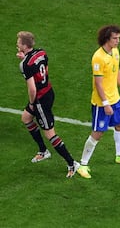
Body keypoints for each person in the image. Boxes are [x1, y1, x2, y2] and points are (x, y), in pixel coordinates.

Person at [77, 25, 120, 179]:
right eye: (115, 38)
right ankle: (83, 164)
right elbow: (98, 83)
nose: (118, 41)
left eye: (119, 38)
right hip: (101, 102)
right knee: (98, 133)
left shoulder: (115, 52)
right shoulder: (98, 57)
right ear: (107, 39)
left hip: (115, 98)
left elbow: (116, 70)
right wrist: (105, 103)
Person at [16, 31, 80, 178]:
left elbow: (32, 88)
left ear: (25, 45)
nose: (17, 44)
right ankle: (43, 151)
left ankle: (72, 163)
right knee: (26, 118)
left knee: (50, 133)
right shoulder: (41, 53)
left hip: (39, 99)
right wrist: (25, 58)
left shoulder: (25, 65)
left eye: (19, 42)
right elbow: (44, 68)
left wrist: (32, 103)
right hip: (48, 92)